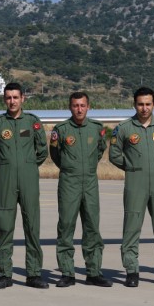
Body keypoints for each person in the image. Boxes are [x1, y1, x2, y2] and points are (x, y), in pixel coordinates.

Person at [108, 87, 154, 287]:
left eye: (148, 104)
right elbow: (114, 154)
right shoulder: (124, 128)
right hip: (135, 183)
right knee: (132, 228)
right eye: (140, 104)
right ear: (135, 105)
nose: (144, 108)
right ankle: (132, 271)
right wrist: (132, 168)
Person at [0, 83, 48, 289]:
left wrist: (28, 166)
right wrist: (5, 165)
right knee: (4, 226)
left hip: (29, 179)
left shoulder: (32, 122)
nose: (12, 101)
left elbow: (42, 150)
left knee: (32, 226)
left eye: (15, 97)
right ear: (4, 100)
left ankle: (34, 273)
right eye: (8, 98)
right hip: (6, 179)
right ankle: (4, 274)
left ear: (23, 99)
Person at [49, 92, 110, 287]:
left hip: (90, 182)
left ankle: (94, 272)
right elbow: (56, 154)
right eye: (75, 105)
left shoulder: (97, 129)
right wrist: (71, 167)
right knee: (66, 226)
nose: (79, 109)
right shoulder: (61, 129)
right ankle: (67, 273)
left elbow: (100, 150)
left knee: (92, 227)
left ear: (88, 106)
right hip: (69, 182)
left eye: (82, 105)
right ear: (70, 107)